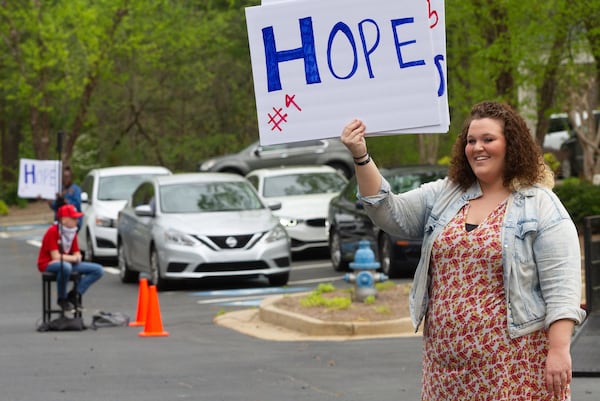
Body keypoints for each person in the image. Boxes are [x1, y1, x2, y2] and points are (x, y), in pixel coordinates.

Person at [340, 101, 586, 401]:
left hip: (513, 366)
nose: (477, 147)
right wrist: (361, 156)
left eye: (488, 139)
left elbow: (562, 285)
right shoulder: (447, 194)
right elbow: (390, 213)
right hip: (446, 368)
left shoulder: (539, 203)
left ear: (512, 145)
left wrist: (559, 350)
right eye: (471, 140)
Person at [37, 204, 103, 313]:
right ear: (63, 220)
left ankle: (74, 294)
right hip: (48, 264)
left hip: (66, 263)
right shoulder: (53, 231)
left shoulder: (72, 232)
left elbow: (77, 254)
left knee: (98, 270)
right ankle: (62, 298)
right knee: (66, 267)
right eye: (73, 218)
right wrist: (73, 258)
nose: (76, 221)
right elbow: (55, 256)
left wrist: (72, 258)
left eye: (77, 218)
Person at [49, 166, 82, 230]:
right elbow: (55, 207)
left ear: (71, 177)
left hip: (71, 223)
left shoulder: (76, 189)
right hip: (59, 221)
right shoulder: (59, 189)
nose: (65, 179)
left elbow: (78, 204)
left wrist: (66, 201)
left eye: (67, 177)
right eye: (64, 177)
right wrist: (50, 203)